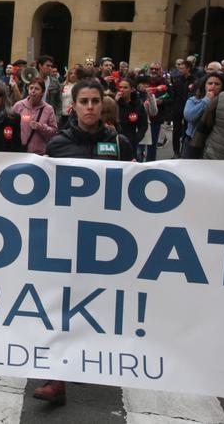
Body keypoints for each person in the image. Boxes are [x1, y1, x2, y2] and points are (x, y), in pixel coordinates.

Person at [37, 79, 134, 404]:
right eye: (85, 101)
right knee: (61, 305)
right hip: (66, 239)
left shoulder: (120, 144)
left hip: (108, 242)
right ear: (73, 106)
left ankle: (93, 360)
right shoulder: (59, 145)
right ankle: (57, 377)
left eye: (95, 101)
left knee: (98, 306)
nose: (90, 106)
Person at [12, 77, 58, 154]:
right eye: (31, 88)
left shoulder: (48, 109)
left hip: (39, 154)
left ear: (42, 92)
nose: (33, 91)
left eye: (36, 89)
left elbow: (54, 131)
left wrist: (41, 127)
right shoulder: (19, 105)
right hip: (20, 151)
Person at [114, 76, 148, 153]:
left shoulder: (138, 105)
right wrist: (115, 102)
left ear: (132, 89)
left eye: (125, 88)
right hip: (115, 140)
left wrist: (136, 139)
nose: (122, 90)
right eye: (120, 87)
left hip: (131, 141)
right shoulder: (115, 102)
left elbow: (143, 125)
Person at [170, 60, 196, 156]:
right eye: (179, 68)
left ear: (188, 68)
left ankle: (184, 151)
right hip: (178, 109)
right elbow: (174, 95)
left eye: (182, 68)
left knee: (187, 131)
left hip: (189, 109)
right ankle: (176, 151)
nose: (179, 70)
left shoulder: (195, 80)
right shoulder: (177, 80)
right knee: (176, 131)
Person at [36, 54, 63, 119]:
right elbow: (24, 98)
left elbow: (59, 102)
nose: (50, 68)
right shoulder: (32, 81)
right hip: (33, 114)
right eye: (47, 66)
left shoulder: (55, 82)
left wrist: (57, 118)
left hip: (49, 117)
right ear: (40, 66)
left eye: (51, 66)